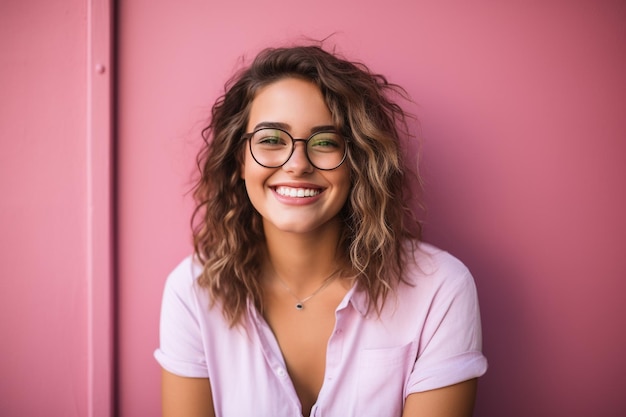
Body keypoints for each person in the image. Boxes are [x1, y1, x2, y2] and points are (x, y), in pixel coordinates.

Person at [154, 44, 488, 417]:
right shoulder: (193, 292)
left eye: (325, 142)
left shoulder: (439, 290)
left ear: (358, 161)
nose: (297, 164)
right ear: (239, 159)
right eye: (270, 140)